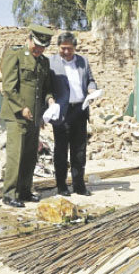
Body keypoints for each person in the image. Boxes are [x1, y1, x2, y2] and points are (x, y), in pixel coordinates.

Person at [1, 24, 55, 207]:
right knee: (15, 156)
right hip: (17, 116)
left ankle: (24, 191)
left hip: (35, 117)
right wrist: (22, 108)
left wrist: (50, 102)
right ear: (30, 39)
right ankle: (9, 194)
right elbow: (8, 87)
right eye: (37, 46)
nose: (39, 50)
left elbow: (45, 90)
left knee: (30, 156)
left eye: (43, 48)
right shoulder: (15, 55)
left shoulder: (44, 62)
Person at [48, 32, 97, 197]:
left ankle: (79, 185)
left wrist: (92, 90)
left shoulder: (83, 61)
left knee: (79, 151)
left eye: (70, 49)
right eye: (63, 48)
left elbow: (91, 80)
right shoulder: (51, 62)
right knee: (61, 151)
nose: (67, 52)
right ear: (58, 47)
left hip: (80, 110)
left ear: (75, 48)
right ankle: (61, 185)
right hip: (62, 112)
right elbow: (46, 87)